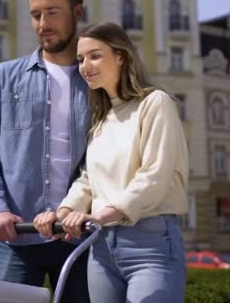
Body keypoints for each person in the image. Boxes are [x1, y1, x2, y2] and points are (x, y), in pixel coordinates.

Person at [34, 22, 189, 303]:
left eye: (95, 55)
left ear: (121, 56)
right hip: (102, 248)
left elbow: (154, 176)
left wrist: (98, 216)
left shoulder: (155, 104)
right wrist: (62, 213)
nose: (85, 66)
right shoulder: (102, 119)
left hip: (150, 245)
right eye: (80, 59)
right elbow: (88, 180)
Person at [0, 0, 91, 303]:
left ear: (77, 12)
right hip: (17, 240)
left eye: (52, 13)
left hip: (80, 241)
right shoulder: (4, 78)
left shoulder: (96, 83)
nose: (42, 24)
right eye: (36, 14)